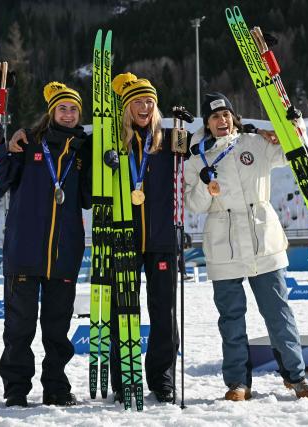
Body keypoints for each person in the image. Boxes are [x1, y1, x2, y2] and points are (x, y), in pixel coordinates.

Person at [184, 92, 308, 401]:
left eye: (226, 115)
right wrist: (205, 185)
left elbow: (292, 151)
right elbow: (193, 204)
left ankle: (295, 377)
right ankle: (238, 384)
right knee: (231, 320)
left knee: (278, 313)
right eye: (215, 117)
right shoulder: (196, 157)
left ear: (233, 117)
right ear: (207, 122)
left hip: (263, 242)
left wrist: (295, 122)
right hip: (223, 246)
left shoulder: (254, 143)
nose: (222, 120)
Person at [0, 81, 91, 408]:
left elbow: (88, 197)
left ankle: (56, 388)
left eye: (73, 109)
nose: (68, 114)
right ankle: (16, 391)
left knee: (58, 332)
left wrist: (103, 160)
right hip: (24, 251)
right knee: (18, 330)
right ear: (51, 111)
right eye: (62, 108)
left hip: (64, 253)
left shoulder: (83, 150)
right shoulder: (27, 144)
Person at [106, 72, 181, 404]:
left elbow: (209, 147)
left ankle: (162, 378)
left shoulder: (169, 140)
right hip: (123, 238)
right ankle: (125, 378)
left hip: (162, 239)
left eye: (150, 101)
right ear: (126, 108)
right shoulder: (112, 143)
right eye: (138, 101)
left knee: (163, 313)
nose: (145, 106)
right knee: (123, 310)